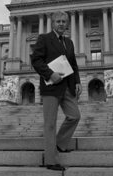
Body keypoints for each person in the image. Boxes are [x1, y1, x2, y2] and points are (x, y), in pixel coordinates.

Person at [31, 11, 82, 171]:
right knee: (50, 124)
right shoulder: (44, 39)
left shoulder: (69, 42)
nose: (61, 24)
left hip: (67, 86)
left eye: (63, 21)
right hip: (51, 87)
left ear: (67, 24)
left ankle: (59, 144)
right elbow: (36, 60)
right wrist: (50, 74)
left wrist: (78, 81)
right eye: (58, 21)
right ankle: (51, 161)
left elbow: (73, 65)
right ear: (53, 23)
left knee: (74, 116)